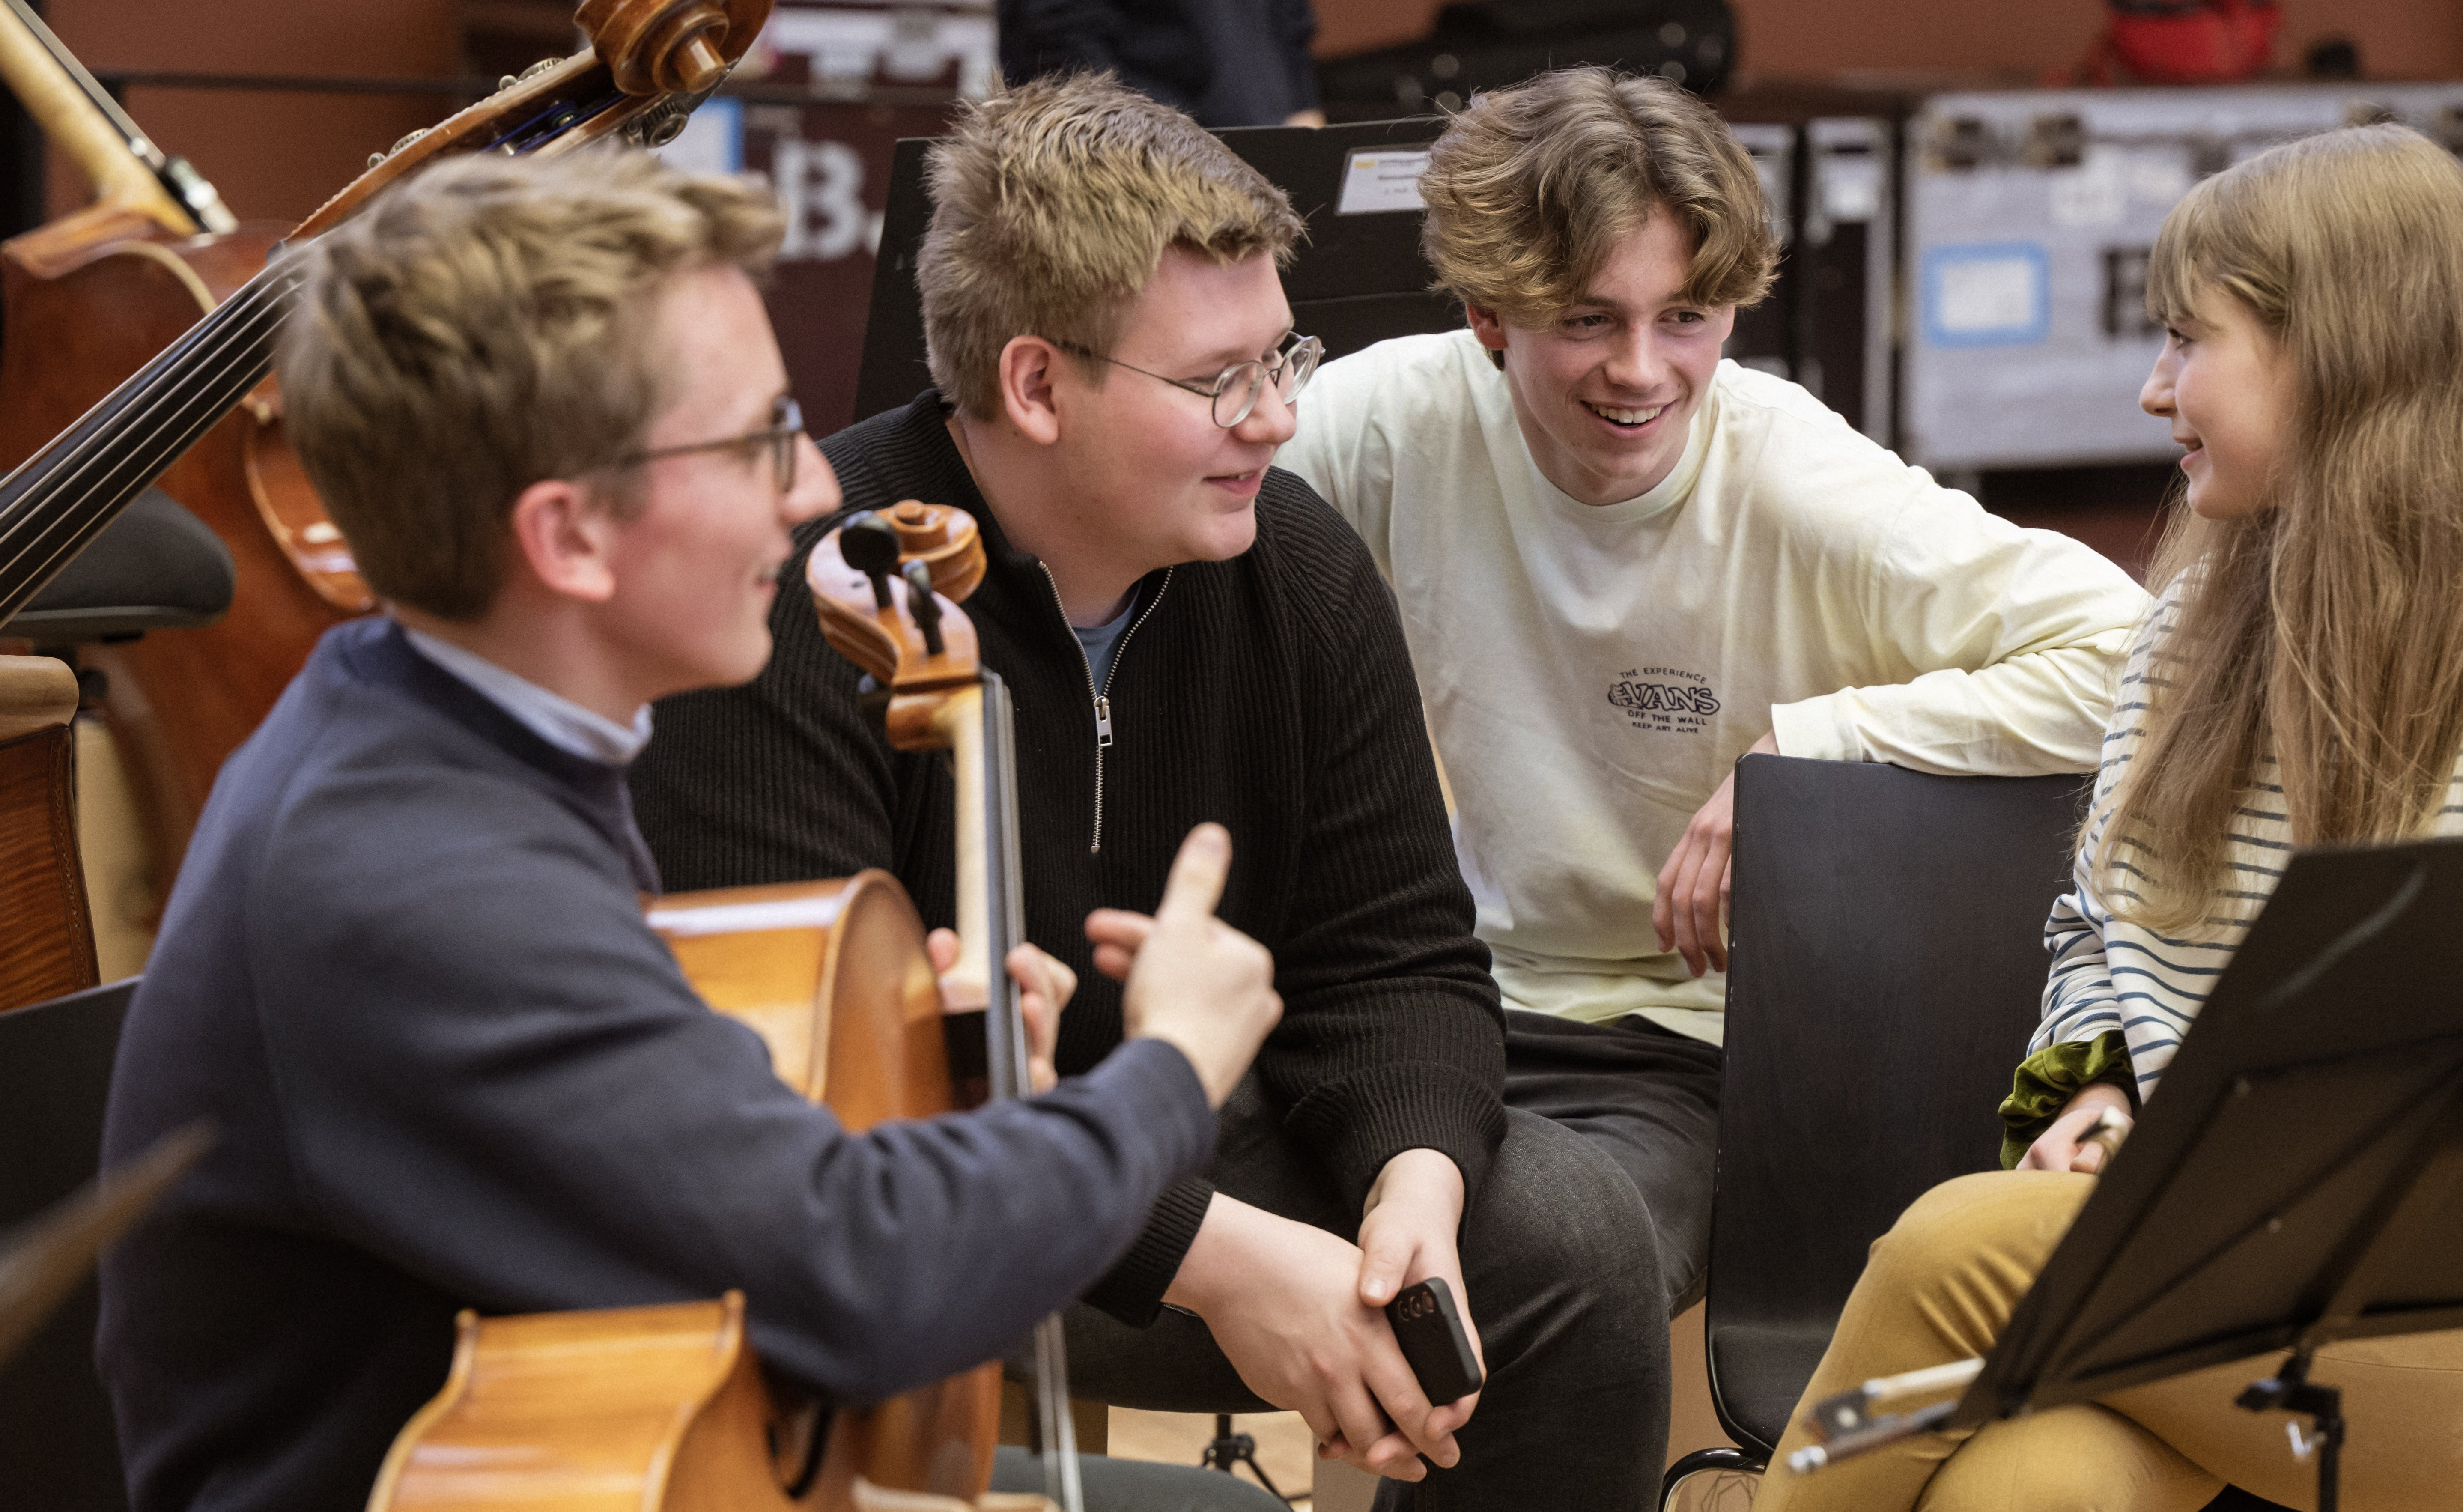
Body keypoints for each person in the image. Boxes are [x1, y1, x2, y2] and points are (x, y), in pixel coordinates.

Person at [93, 148, 1285, 1512]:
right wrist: (1172, 1064)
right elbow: (859, 1278)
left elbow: (668, 1166)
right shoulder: (418, 876)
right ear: (570, 539)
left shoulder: (451, 731)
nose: (807, 490)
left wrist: (938, 1084)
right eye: (756, 439)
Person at [628, 75, 1671, 1508]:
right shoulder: (805, 597)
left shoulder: (1295, 569)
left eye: (1284, 356)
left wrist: (1412, 1183)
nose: (1279, 417)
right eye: (1219, 380)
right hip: (919, 1192)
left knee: (1571, 1246)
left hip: (1189, 1132)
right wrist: (1217, 1258)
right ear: (1036, 385)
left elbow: (1395, 956)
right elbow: (814, 1103)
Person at [1751, 124, 2463, 1512]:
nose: (2154, 389)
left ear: (2341, 355)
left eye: (2187, 339)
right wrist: (2094, 1091)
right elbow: (2100, 927)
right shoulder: (2186, 632)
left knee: (1946, 1251)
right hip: (2209, 1288)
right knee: (2029, 1491)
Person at [1273, 66, 2153, 1313]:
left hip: (1683, 1037)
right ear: (1488, 313)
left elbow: (2134, 653)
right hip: (1442, 997)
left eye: (1685, 316)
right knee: (1168, 1197)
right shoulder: (1384, 419)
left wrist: (1818, 745)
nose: (1641, 370)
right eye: (1588, 319)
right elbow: (1176, 520)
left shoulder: (1800, 484)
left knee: (1548, 1269)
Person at [999, 0, 1325, 128]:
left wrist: (1303, 105)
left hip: (1271, 138)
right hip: (1152, 167)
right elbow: (1060, 39)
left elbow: (1290, 20)